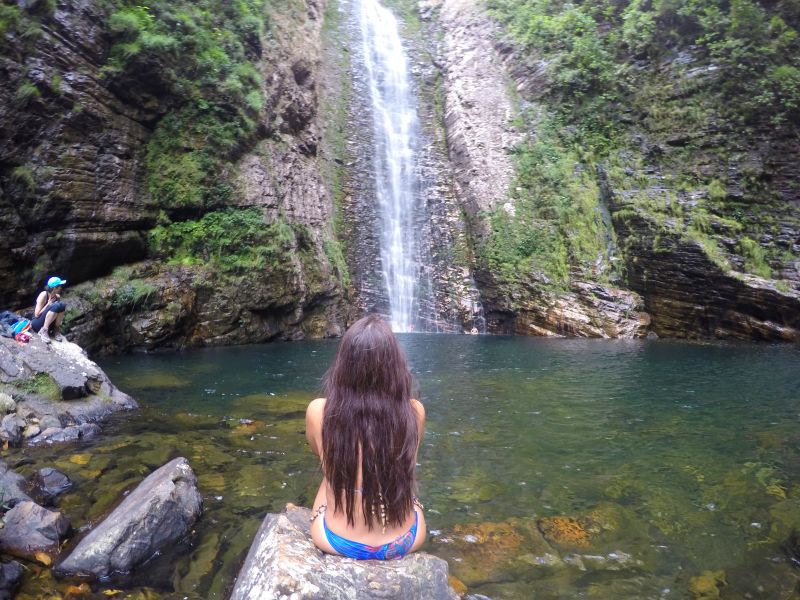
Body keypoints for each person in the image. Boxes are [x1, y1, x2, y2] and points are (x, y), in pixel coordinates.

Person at [305, 314, 426, 559]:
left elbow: (317, 450)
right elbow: (409, 462)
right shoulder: (414, 411)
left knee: (330, 473)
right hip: (405, 540)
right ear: (395, 366)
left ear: (343, 365)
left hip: (338, 541)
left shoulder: (319, 411)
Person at [31, 276, 68, 343]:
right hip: (37, 324)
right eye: (60, 286)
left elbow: (58, 312)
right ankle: (44, 331)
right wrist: (48, 304)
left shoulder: (57, 296)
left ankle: (56, 329)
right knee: (56, 305)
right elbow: (36, 315)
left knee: (62, 305)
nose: (61, 287)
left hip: (49, 324)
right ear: (55, 287)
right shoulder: (43, 295)